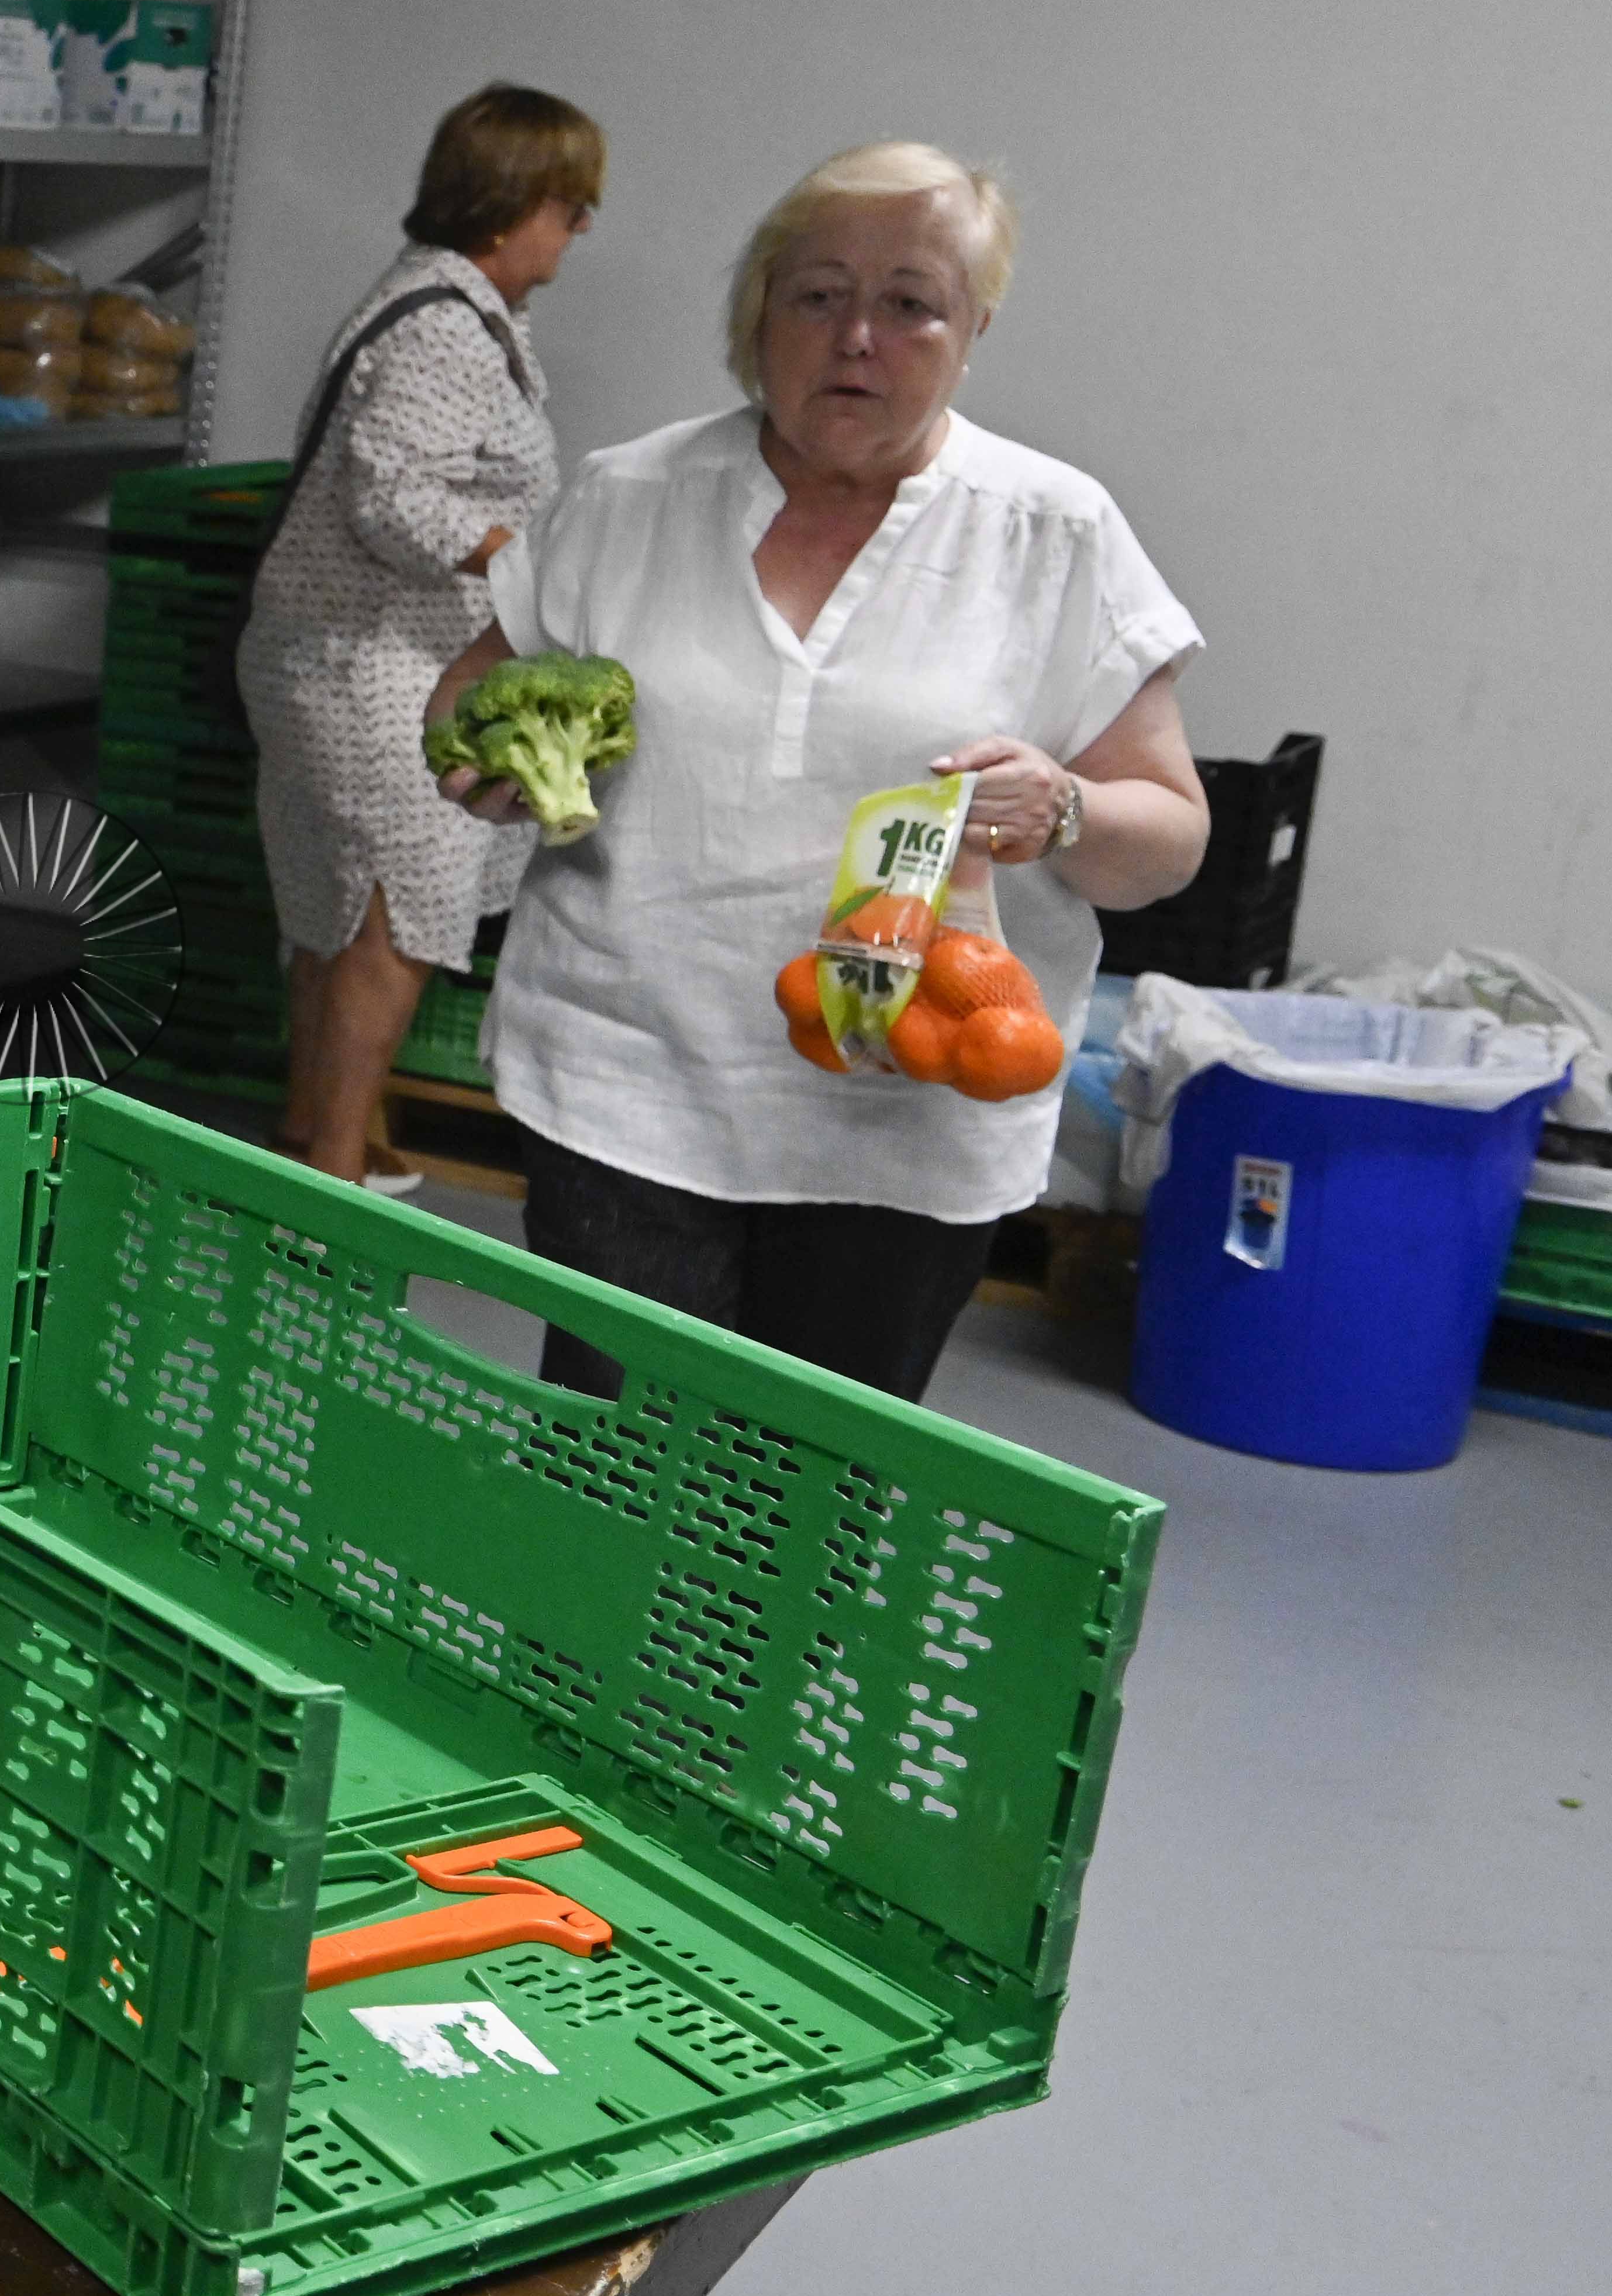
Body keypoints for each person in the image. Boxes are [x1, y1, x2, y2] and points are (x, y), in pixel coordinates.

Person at [430, 141, 1210, 1403]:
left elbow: (1167, 835)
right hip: (628, 1081)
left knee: (814, 1505)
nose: (859, 335)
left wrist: (1064, 808)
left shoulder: (1055, 531)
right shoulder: (630, 494)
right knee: (613, 1478)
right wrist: (494, 761)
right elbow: (472, 689)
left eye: (910, 302)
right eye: (818, 294)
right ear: (760, 314)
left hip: (906, 1115)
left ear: (972, 329)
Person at [238, 83, 602, 1192]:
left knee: (339, 909)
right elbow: (392, 498)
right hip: (374, 665)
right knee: (394, 917)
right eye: (570, 205)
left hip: (348, 655)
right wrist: (524, 557)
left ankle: (313, 1140)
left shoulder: (444, 304)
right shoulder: (447, 328)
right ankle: (335, 1181)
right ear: (514, 204)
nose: (580, 230)